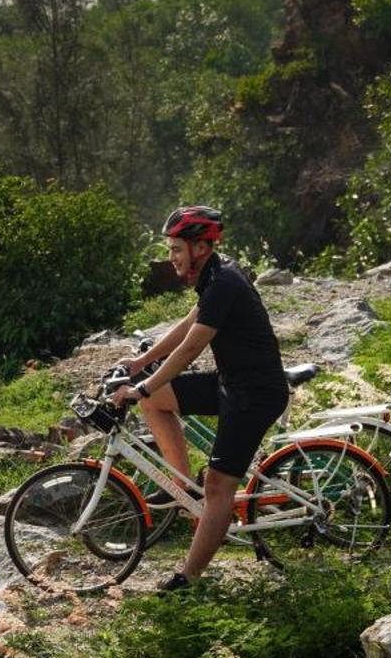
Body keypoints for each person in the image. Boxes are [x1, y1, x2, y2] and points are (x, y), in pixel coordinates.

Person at [111, 206, 288, 592]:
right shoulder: (214, 275)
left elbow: (191, 348)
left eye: (177, 248)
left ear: (201, 247)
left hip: (254, 394)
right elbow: (190, 320)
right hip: (231, 382)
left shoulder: (224, 281)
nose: (172, 256)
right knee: (155, 399)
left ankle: (187, 579)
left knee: (220, 488)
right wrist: (144, 361)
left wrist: (141, 383)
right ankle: (185, 486)